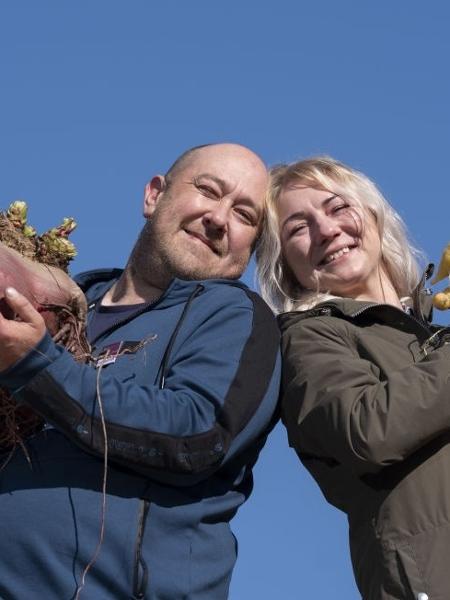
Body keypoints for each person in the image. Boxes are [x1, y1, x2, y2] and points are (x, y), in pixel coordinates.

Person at [0, 143, 281, 599]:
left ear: (248, 251)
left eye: (245, 216)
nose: (218, 218)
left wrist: (37, 366)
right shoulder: (59, 306)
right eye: (208, 190)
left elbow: (197, 434)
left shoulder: (235, 317)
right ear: (154, 195)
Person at [257, 155, 450, 600]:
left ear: (374, 215)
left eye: (337, 207)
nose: (327, 230)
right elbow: (365, 428)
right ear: (285, 264)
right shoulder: (308, 338)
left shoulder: (434, 335)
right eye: (298, 228)